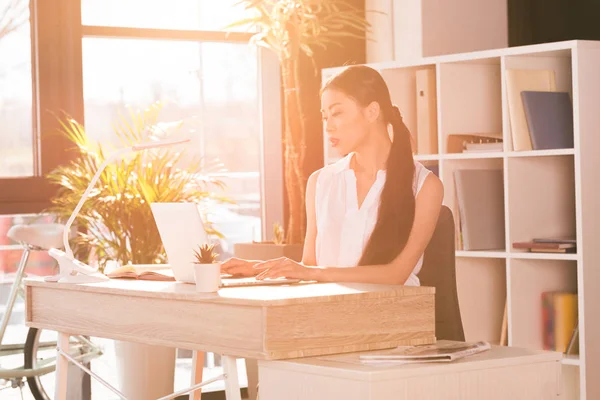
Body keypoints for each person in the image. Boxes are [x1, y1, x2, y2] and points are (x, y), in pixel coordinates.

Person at [222, 65, 444, 286]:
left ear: (372, 112)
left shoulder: (425, 186)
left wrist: (313, 273)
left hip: (392, 314)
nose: (328, 127)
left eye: (336, 113)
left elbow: (395, 275)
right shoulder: (320, 182)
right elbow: (309, 264)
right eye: (324, 117)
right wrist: (257, 268)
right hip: (329, 311)